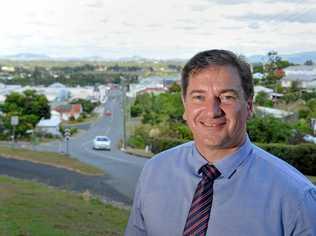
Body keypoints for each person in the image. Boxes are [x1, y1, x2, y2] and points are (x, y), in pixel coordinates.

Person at [125, 49, 316, 236]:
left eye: (226, 97)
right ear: (185, 106)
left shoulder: (296, 198)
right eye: (199, 97)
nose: (212, 111)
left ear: (249, 106)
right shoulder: (154, 171)